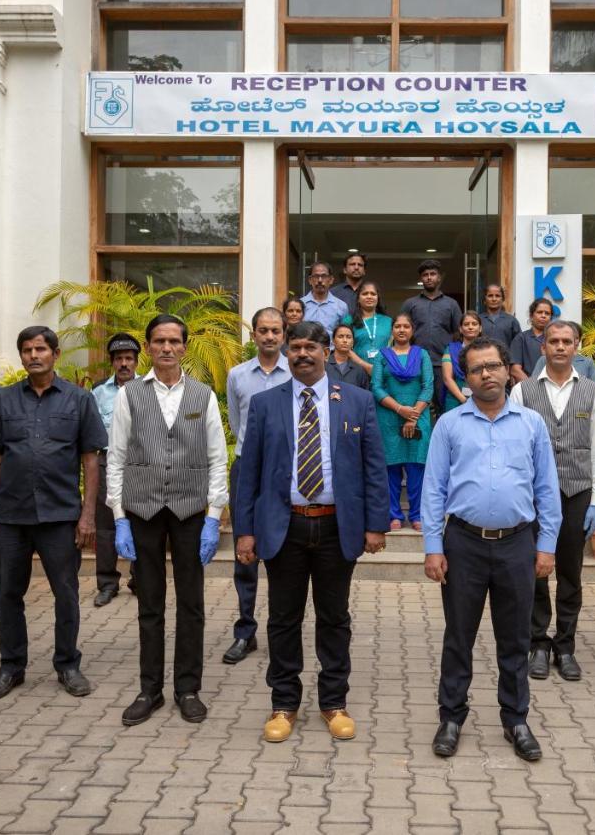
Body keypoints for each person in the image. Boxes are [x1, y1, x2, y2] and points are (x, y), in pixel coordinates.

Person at [233, 321, 389, 744]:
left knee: (334, 617)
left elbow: (373, 466)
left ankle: (333, 702)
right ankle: (283, 703)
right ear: (287, 351)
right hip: (285, 526)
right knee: (284, 618)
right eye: (295, 347)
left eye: (310, 347)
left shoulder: (356, 401)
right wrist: (244, 531)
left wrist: (377, 523)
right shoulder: (265, 404)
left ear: (326, 352)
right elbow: (249, 473)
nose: (302, 354)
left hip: (338, 526)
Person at [422, 336, 562, 761]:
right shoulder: (450, 425)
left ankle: (516, 719)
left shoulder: (531, 424)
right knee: (458, 637)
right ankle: (451, 717)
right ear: (467, 377)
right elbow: (433, 488)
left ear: (507, 369)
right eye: (478, 368)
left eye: (493, 366)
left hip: (518, 544)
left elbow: (546, 489)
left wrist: (547, 545)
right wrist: (432, 546)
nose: (487, 374)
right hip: (462, 543)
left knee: (515, 637)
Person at [0, 326, 107, 703]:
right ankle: (11, 667)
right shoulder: (2, 402)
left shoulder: (79, 401)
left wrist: (87, 515)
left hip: (60, 515)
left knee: (66, 593)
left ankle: (67, 664)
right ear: (21, 357)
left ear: (56, 354)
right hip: (12, 516)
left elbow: (91, 461)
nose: (34, 355)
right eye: (27, 350)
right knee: (9, 593)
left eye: (41, 349)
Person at [107, 314, 229, 726]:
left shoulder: (203, 395)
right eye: (158, 340)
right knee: (150, 603)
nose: (166, 348)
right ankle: (150, 689)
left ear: (184, 346)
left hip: (191, 511)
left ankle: (188, 688)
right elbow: (117, 457)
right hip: (143, 510)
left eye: (174, 341)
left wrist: (214, 516)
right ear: (147, 347)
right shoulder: (129, 395)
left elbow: (217, 459)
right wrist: (119, 516)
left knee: (192, 604)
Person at [510, 321, 595, 682]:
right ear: (543, 348)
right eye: (554, 341)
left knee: (571, 573)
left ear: (577, 346)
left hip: (576, 492)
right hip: (534, 497)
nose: (561, 347)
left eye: (568, 341)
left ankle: (565, 646)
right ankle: (538, 643)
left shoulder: (593, 393)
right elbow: (516, 448)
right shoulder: (522, 391)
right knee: (535, 570)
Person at [222, 308, 292, 665]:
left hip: (285, 473)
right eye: (262, 330)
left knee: (283, 554)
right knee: (245, 553)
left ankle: (281, 632)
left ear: (284, 334)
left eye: (275, 330)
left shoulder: (296, 373)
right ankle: (245, 631)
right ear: (253, 334)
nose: (269, 336)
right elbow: (237, 424)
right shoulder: (237, 376)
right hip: (247, 472)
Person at [91, 332, 141, 607]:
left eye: (129, 359)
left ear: (136, 361)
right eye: (119, 359)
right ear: (112, 362)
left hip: (140, 465)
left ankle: (139, 579)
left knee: (141, 521)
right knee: (106, 525)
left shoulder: (148, 387)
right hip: (107, 463)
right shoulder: (98, 393)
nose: (124, 364)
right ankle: (107, 582)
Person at [371, 313, 433, 531]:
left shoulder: (422, 354)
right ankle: (394, 514)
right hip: (389, 418)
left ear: (412, 330)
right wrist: (399, 409)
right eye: (397, 326)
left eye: (406, 326)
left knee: (417, 470)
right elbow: (376, 387)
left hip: (419, 417)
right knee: (391, 469)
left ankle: (416, 514)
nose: (402, 330)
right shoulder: (382, 356)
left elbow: (428, 387)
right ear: (392, 330)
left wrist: (412, 415)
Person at [401, 259, 462, 408]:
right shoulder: (410, 304)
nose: (429, 277)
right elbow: (400, 330)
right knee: (416, 404)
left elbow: (458, 333)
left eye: (433, 274)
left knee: (444, 405)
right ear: (421, 279)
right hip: (416, 362)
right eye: (425, 275)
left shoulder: (451, 304)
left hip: (443, 364)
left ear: (439, 277)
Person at [345, 280, 391, 378]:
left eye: (373, 294)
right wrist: (366, 366)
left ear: (378, 298)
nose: (369, 296)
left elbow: (396, 348)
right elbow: (344, 348)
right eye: (365, 294)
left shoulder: (388, 321)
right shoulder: (349, 320)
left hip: (384, 374)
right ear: (358, 298)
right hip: (357, 372)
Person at [441, 311, 482, 411]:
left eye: (474, 324)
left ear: (480, 328)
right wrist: (464, 400)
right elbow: (447, 378)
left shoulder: (487, 350)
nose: (470, 327)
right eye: (466, 324)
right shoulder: (451, 349)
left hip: (481, 398)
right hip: (455, 399)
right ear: (460, 329)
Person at [509, 298, 554, 384]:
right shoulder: (521, 338)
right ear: (531, 315)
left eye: (547, 313)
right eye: (539, 312)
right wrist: (532, 387)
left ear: (551, 318)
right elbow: (515, 369)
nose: (543, 316)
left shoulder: (555, 339)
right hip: (527, 387)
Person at [301, 261, 350, 333]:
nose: (320, 280)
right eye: (316, 276)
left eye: (324, 276)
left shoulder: (342, 306)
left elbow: (346, 333)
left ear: (331, 280)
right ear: (310, 280)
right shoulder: (300, 304)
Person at [328, 324, 372, 390]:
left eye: (348, 337)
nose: (345, 340)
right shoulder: (323, 364)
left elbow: (364, 395)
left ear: (352, 343)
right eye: (340, 336)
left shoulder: (359, 370)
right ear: (333, 341)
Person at [478, 283, 521, 349]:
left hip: (505, 358)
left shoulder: (511, 321)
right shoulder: (478, 320)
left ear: (502, 299)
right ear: (484, 300)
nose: (494, 299)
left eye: (497, 296)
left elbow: (518, 345)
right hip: (482, 358)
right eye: (490, 296)